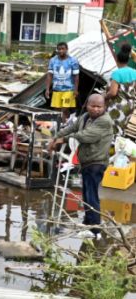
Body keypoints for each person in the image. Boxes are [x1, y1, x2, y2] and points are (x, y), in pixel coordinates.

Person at [50, 94, 113, 237]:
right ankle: (87, 222)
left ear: (104, 107)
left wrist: (63, 139)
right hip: (86, 162)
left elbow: (86, 136)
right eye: (93, 106)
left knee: (92, 196)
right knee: (86, 194)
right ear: (87, 105)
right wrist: (56, 137)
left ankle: (95, 230)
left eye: (99, 107)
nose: (96, 109)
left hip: (97, 162)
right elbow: (71, 128)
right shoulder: (84, 117)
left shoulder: (104, 121)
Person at [104, 44, 136, 135]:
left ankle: (110, 146)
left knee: (111, 128)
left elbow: (113, 93)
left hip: (118, 104)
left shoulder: (117, 73)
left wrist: (104, 97)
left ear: (117, 60)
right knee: (121, 127)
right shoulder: (134, 72)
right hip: (130, 105)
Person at [45, 42, 79, 121]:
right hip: (56, 89)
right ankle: (64, 123)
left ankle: (61, 125)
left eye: (63, 49)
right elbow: (49, 75)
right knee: (57, 109)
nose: (61, 51)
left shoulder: (73, 60)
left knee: (64, 108)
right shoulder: (53, 60)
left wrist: (76, 89)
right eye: (59, 49)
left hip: (69, 90)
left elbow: (76, 76)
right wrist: (47, 89)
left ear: (66, 49)